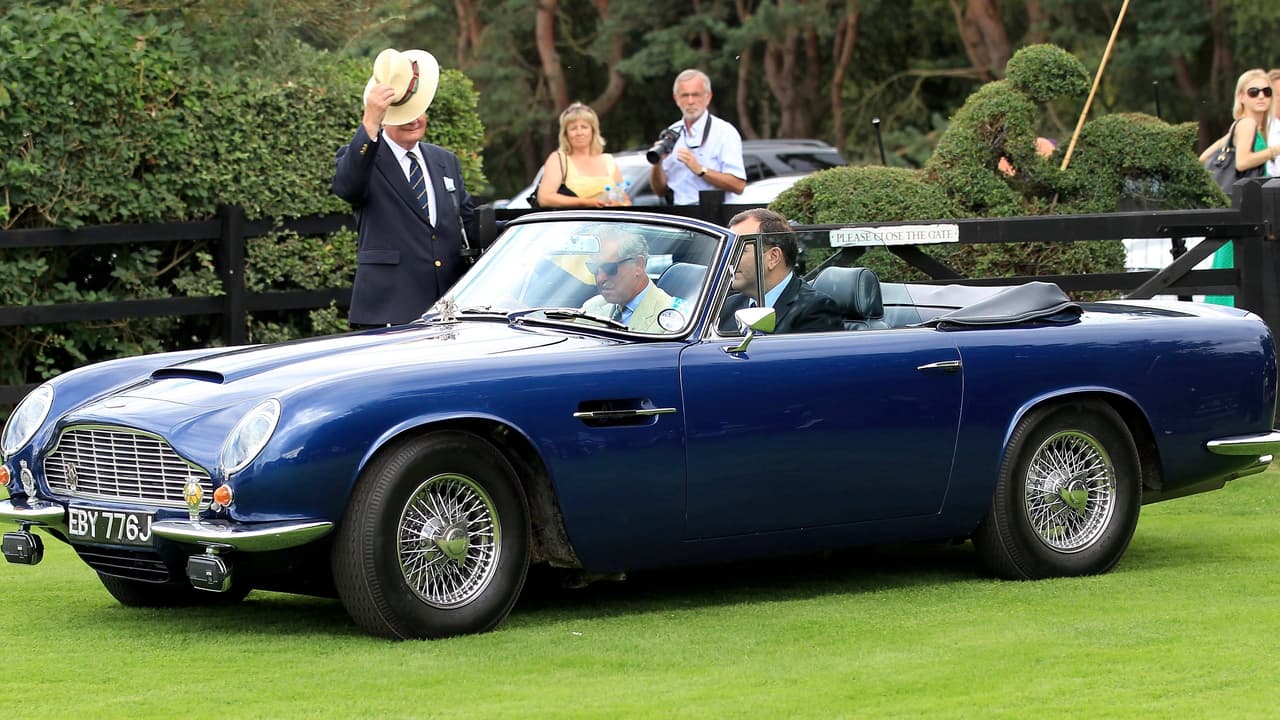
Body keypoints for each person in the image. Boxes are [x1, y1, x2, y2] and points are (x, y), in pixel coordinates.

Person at [332, 48, 476, 328]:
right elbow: (347, 187)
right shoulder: (364, 156)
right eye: (403, 115)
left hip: (446, 311)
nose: (414, 120)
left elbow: (469, 222)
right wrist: (369, 122)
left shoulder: (444, 160)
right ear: (384, 118)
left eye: (418, 111)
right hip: (387, 311)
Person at [1197, 68, 1279, 306]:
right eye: (1254, 92)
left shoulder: (1241, 126)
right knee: (1237, 271)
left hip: (1238, 212)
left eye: (1266, 91)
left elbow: (1203, 158)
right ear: (1241, 97)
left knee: (1231, 269)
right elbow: (1243, 161)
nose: (1261, 96)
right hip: (1243, 212)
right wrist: (1274, 150)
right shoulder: (1247, 125)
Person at [717, 208, 842, 334]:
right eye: (728, 249)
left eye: (739, 250)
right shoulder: (729, 306)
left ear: (773, 257)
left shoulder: (815, 309)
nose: (728, 258)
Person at [649, 69, 746, 205]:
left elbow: (738, 185)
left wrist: (700, 170)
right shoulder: (671, 133)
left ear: (708, 97)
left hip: (715, 214)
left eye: (696, 95)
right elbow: (660, 191)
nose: (690, 101)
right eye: (684, 95)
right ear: (676, 99)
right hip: (679, 213)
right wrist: (657, 165)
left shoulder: (724, 132)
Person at [537, 102, 629, 208]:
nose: (579, 132)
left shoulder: (608, 160)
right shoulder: (559, 159)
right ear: (565, 134)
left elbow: (625, 200)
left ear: (593, 131)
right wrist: (587, 203)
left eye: (584, 127)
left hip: (609, 223)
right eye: (573, 128)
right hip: (574, 223)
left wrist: (618, 204)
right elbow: (544, 198)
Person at [580, 229, 674, 333]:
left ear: (638, 265)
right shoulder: (592, 307)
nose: (600, 278)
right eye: (593, 268)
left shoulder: (673, 318)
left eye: (609, 268)